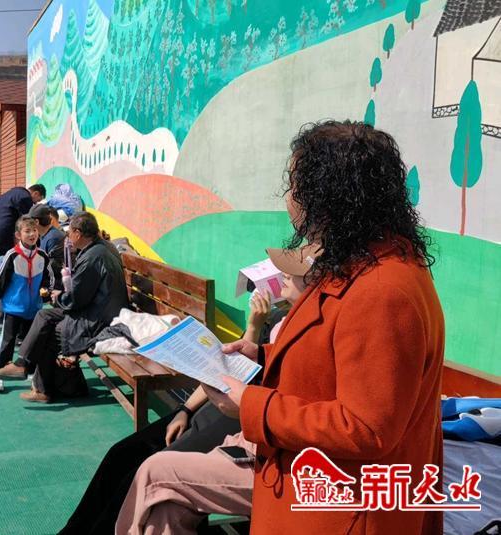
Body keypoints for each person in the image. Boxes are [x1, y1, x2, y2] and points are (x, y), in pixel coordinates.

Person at [205, 121, 444, 534]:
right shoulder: (363, 262)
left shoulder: (382, 289)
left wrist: (252, 407)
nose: (288, 199)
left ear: (328, 195)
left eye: (294, 186)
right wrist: (261, 355)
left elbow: (366, 427)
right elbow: (338, 359)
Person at [113, 245, 317, 535]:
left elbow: (255, 386)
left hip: (248, 428)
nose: (281, 274)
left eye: (291, 271)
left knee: (152, 469)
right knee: (141, 477)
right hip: (225, 415)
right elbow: (232, 368)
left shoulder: (307, 330)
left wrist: (253, 327)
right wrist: (184, 409)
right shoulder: (279, 320)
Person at [0, 212, 128, 402]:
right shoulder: (101, 249)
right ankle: (24, 367)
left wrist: (58, 298)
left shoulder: (92, 257)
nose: (68, 236)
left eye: (70, 232)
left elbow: (76, 299)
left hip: (98, 319)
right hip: (101, 310)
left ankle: (37, 383)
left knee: (49, 330)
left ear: (78, 233)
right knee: (44, 317)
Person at [0, 216, 53, 393]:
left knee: (32, 343)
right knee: (7, 342)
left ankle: (29, 371)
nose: (32, 234)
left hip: (34, 308)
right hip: (13, 308)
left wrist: (46, 290)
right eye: (27, 231)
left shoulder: (42, 256)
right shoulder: (12, 255)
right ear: (18, 235)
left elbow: (48, 278)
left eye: (34, 230)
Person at [0, 185, 36, 328]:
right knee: (6, 276)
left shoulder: (5, 196)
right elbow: (26, 222)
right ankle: (2, 314)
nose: (34, 202)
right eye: (36, 199)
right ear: (35, 193)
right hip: (4, 239)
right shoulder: (25, 196)